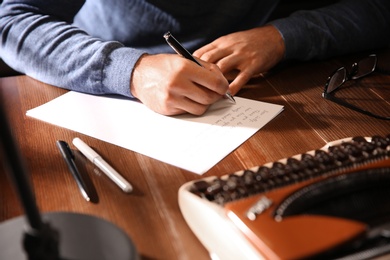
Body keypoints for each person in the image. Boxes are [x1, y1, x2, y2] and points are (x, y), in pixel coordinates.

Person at [0, 0, 389, 116]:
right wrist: (130, 70)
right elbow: (9, 19)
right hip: (101, 91)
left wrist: (286, 36)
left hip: (280, 82)